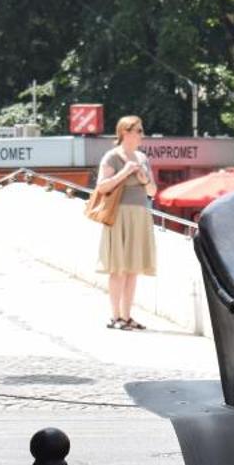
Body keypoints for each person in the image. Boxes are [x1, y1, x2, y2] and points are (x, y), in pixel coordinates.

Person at [95, 114, 157, 329]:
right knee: (118, 269)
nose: (142, 135)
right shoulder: (112, 156)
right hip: (119, 215)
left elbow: (153, 191)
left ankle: (127, 316)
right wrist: (124, 172)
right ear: (125, 132)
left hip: (139, 214)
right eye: (138, 130)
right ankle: (115, 317)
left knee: (132, 268)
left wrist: (143, 178)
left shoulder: (142, 158)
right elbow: (102, 187)